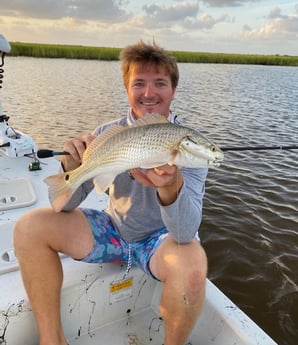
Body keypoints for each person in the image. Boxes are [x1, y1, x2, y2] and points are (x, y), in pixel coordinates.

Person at [14, 41, 208, 345]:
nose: (149, 93)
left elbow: (184, 232)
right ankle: (52, 340)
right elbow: (66, 206)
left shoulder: (188, 144)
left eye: (160, 83)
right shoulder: (106, 133)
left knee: (194, 264)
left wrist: (171, 187)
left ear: (173, 89)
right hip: (114, 230)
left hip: (161, 241)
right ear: (126, 88)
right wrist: (72, 165)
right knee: (30, 226)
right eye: (139, 83)